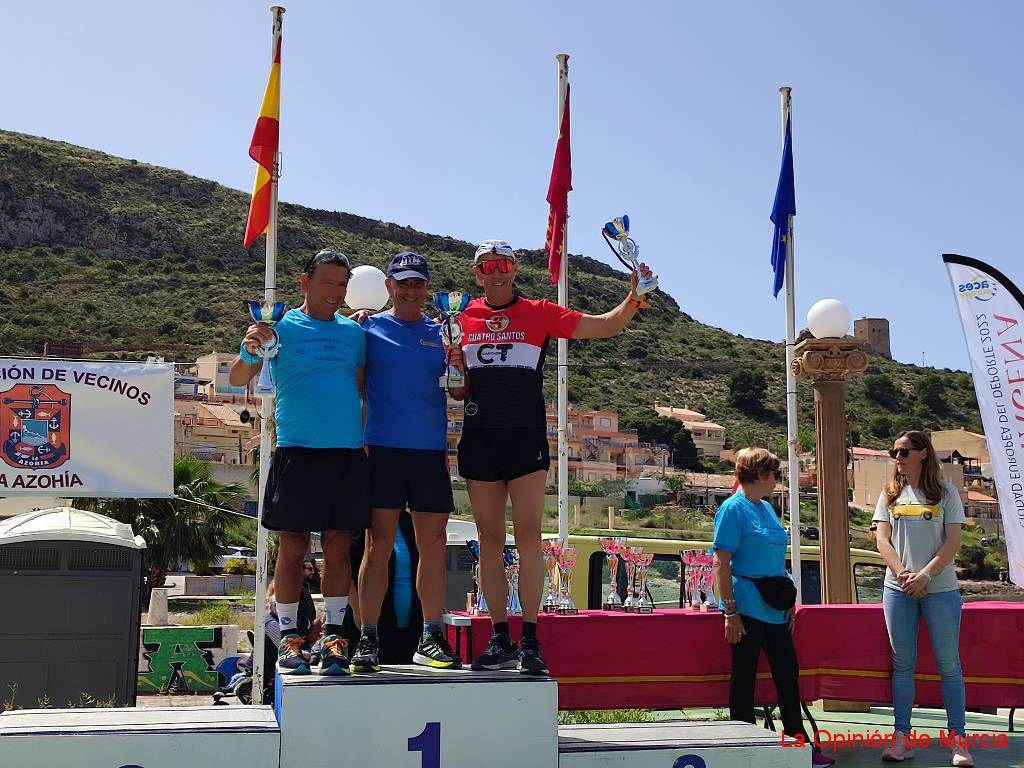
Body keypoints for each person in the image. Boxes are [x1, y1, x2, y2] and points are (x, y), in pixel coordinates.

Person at [458, 238, 653, 676]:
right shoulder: (459, 316)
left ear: (515, 269)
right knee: (489, 542)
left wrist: (632, 297)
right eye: (487, 266)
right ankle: (499, 637)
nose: (496, 271)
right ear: (477, 274)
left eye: (503, 263)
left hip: (525, 437)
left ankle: (529, 638)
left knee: (528, 535)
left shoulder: (540, 312)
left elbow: (604, 326)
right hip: (479, 437)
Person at [229, 248, 369, 677]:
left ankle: (335, 638)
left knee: (339, 549)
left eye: (342, 285)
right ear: (304, 283)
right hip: (297, 450)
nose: (336, 292)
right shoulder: (278, 327)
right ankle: (289, 635)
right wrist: (253, 348)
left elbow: (361, 390)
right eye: (327, 283)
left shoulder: (354, 333)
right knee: (292, 546)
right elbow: (237, 377)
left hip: (346, 453)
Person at [349, 251, 463, 672]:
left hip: (429, 452)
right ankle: (368, 638)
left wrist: (460, 368)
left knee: (431, 546)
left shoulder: (444, 333)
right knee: (378, 545)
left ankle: (430, 636)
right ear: (389, 286)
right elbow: (356, 385)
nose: (411, 289)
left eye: (418, 282)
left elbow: (458, 394)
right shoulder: (367, 327)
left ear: (427, 287)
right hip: (382, 450)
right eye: (404, 282)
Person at [712, 448, 834, 768]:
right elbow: (721, 564)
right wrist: (730, 612)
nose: (777, 481)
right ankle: (742, 748)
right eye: (775, 474)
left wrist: (789, 600)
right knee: (744, 678)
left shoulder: (766, 508)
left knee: (787, 675)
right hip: (746, 606)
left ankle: (797, 744)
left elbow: (776, 561)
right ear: (761, 474)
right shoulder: (732, 509)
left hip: (775, 607)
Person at [872, 430, 971, 767]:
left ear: (922, 454)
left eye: (903, 452)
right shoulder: (889, 494)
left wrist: (925, 575)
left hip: (940, 590)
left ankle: (959, 742)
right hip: (897, 590)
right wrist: (903, 575)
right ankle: (902, 739)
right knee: (902, 664)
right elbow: (882, 541)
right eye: (894, 452)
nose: (896, 458)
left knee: (949, 664)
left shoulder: (946, 493)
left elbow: (953, 541)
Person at [345, 511, 426, 665]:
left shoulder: (410, 521)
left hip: (412, 625)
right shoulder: (361, 521)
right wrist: (357, 608)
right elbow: (343, 568)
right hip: (368, 624)